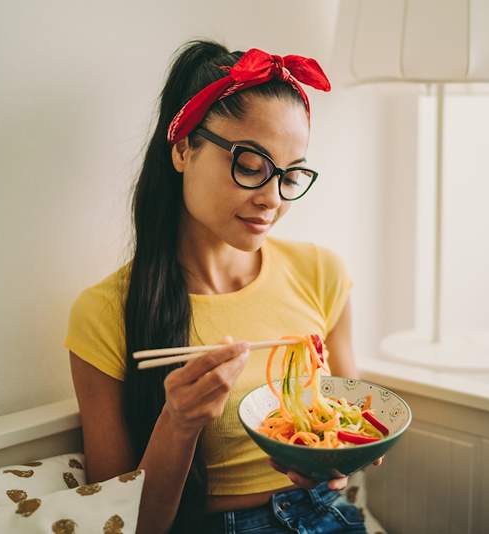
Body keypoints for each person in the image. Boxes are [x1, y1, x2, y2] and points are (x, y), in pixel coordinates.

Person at [64, 40, 380, 534]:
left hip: (326, 514)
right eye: (251, 168)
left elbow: (346, 418)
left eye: (290, 176)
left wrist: (334, 457)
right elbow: (127, 524)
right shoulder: (105, 312)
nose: (271, 199)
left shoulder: (322, 272)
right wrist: (180, 420)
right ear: (183, 148)